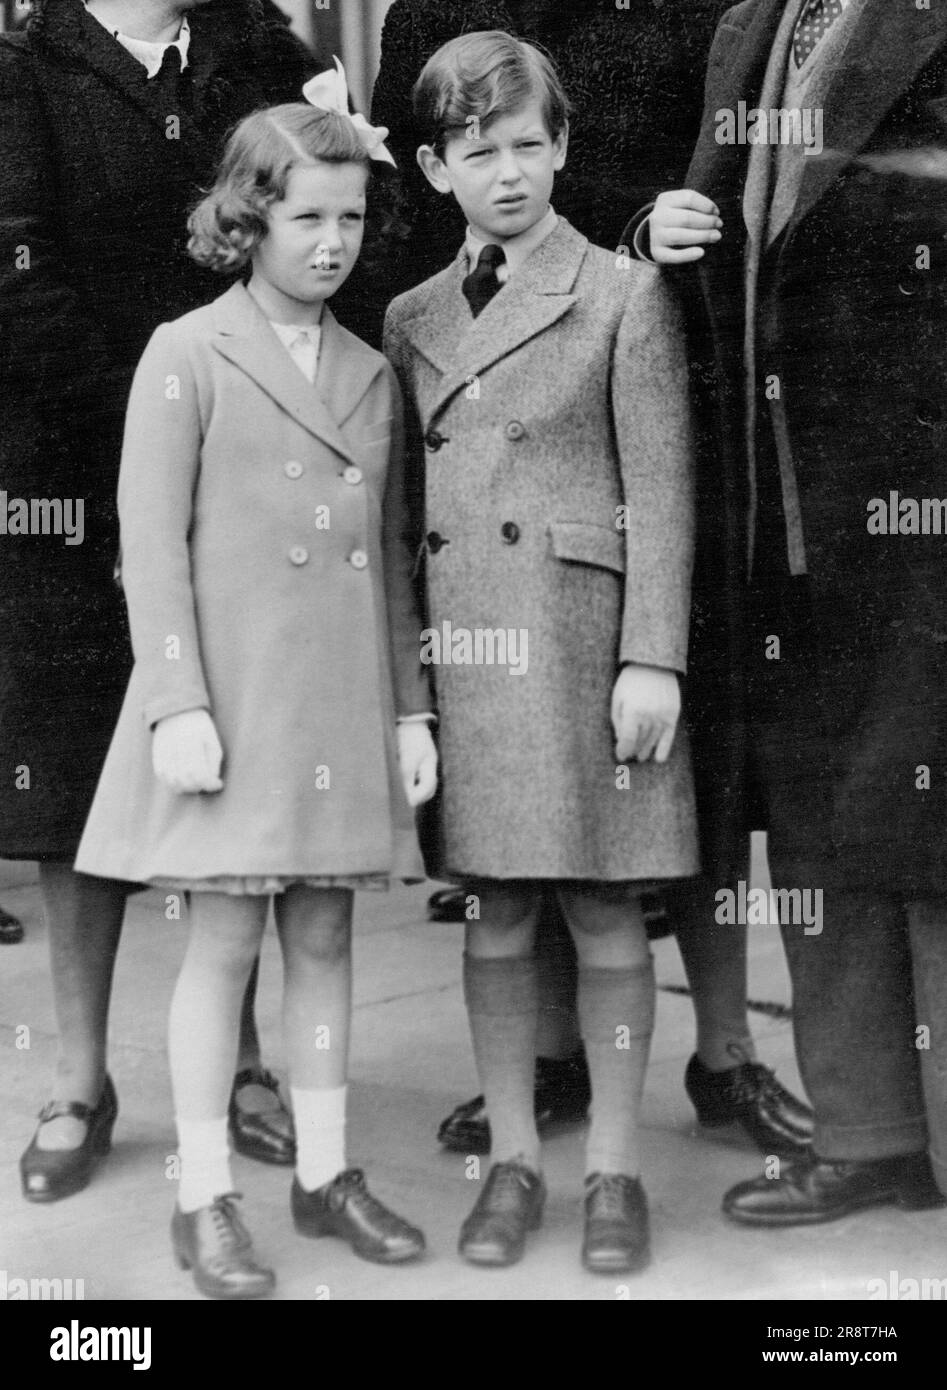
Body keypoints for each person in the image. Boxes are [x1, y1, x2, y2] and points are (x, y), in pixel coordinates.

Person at [371, 0, 813, 1162]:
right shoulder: (437, 12)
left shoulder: (689, 10)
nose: (506, 162)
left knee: (666, 776)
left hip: (654, 374)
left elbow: (728, 163)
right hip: (504, 407)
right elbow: (396, 195)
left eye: (527, 143)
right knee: (521, 811)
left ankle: (724, 1053)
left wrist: (648, 229)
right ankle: (550, 1066)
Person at [75, 78, 438, 1298]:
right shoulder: (187, 352)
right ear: (247, 220)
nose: (331, 243)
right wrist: (175, 701)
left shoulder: (372, 372)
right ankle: (203, 1192)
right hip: (229, 707)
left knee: (327, 934)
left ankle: (324, 1171)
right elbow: (149, 536)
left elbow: (389, 556)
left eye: (348, 219)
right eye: (304, 221)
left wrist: (409, 708)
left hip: (334, 706)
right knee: (221, 942)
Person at [386, 30, 698, 1275]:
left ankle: (614, 1170)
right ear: (431, 166)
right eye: (478, 151)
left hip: (583, 652)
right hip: (472, 657)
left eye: (529, 145)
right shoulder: (410, 316)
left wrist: (653, 657)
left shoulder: (622, 295)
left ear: (563, 149)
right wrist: (409, 692)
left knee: (607, 910)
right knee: (498, 915)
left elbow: (659, 488)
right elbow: (404, 523)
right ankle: (512, 1157)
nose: (507, 172)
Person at [1, 0, 320, 1205]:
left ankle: (237, 1065)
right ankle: (80, 1078)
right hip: (66, 485)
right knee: (76, 777)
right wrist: (147, 466)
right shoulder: (25, 72)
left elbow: (319, 211)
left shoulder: (259, 50)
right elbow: (14, 280)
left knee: (226, 766)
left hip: (242, 477)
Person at [642, 0, 947, 1222]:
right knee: (821, 827)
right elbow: (725, 232)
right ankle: (868, 1138)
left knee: (931, 835)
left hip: (917, 507)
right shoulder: (745, 28)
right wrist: (654, 227)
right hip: (781, 510)